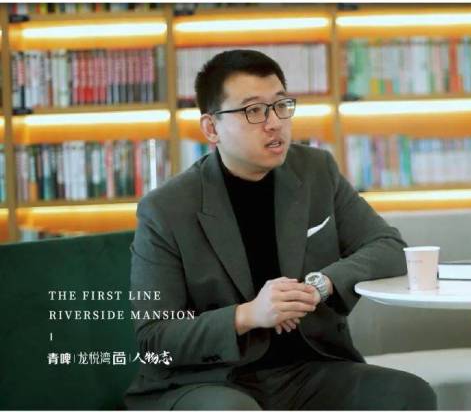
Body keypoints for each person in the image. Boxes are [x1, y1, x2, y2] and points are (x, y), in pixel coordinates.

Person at [123, 49, 437, 410]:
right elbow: (155, 337)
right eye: (253, 110)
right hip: (209, 379)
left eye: (281, 105)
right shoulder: (166, 209)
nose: (274, 123)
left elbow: (388, 246)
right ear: (211, 128)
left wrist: (319, 285)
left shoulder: (316, 171)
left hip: (308, 369)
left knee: (408, 395)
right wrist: (248, 314)